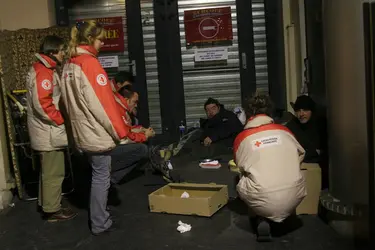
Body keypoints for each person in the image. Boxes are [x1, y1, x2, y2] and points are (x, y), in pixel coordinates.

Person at [60, 20, 154, 235]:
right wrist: (125, 133)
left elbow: (65, 104)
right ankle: (100, 223)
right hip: (95, 134)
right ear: (90, 39)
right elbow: (105, 105)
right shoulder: (90, 64)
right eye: (101, 39)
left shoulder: (68, 65)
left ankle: (99, 214)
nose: (103, 43)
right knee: (102, 176)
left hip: (81, 134)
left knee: (100, 175)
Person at [234, 94, 306, 242]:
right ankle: (286, 212)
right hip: (296, 194)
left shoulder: (242, 138)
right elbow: (301, 154)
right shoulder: (285, 131)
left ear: (248, 115)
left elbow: (239, 164)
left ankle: (261, 216)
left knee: (241, 177)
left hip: (261, 195)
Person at [26, 35, 77, 222]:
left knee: (48, 171)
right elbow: (42, 104)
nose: (64, 54)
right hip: (48, 133)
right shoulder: (44, 72)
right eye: (62, 50)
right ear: (52, 51)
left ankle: (47, 203)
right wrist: (61, 120)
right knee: (54, 172)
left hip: (44, 131)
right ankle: (52, 211)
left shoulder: (42, 68)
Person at [285, 95, 329, 189]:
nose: (301, 114)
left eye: (305, 110)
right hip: (301, 174)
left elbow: (327, 151)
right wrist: (314, 152)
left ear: (311, 111)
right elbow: (292, 154)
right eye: (298, 110)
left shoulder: (321, 125)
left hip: (324, 174)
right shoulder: (291, 127)